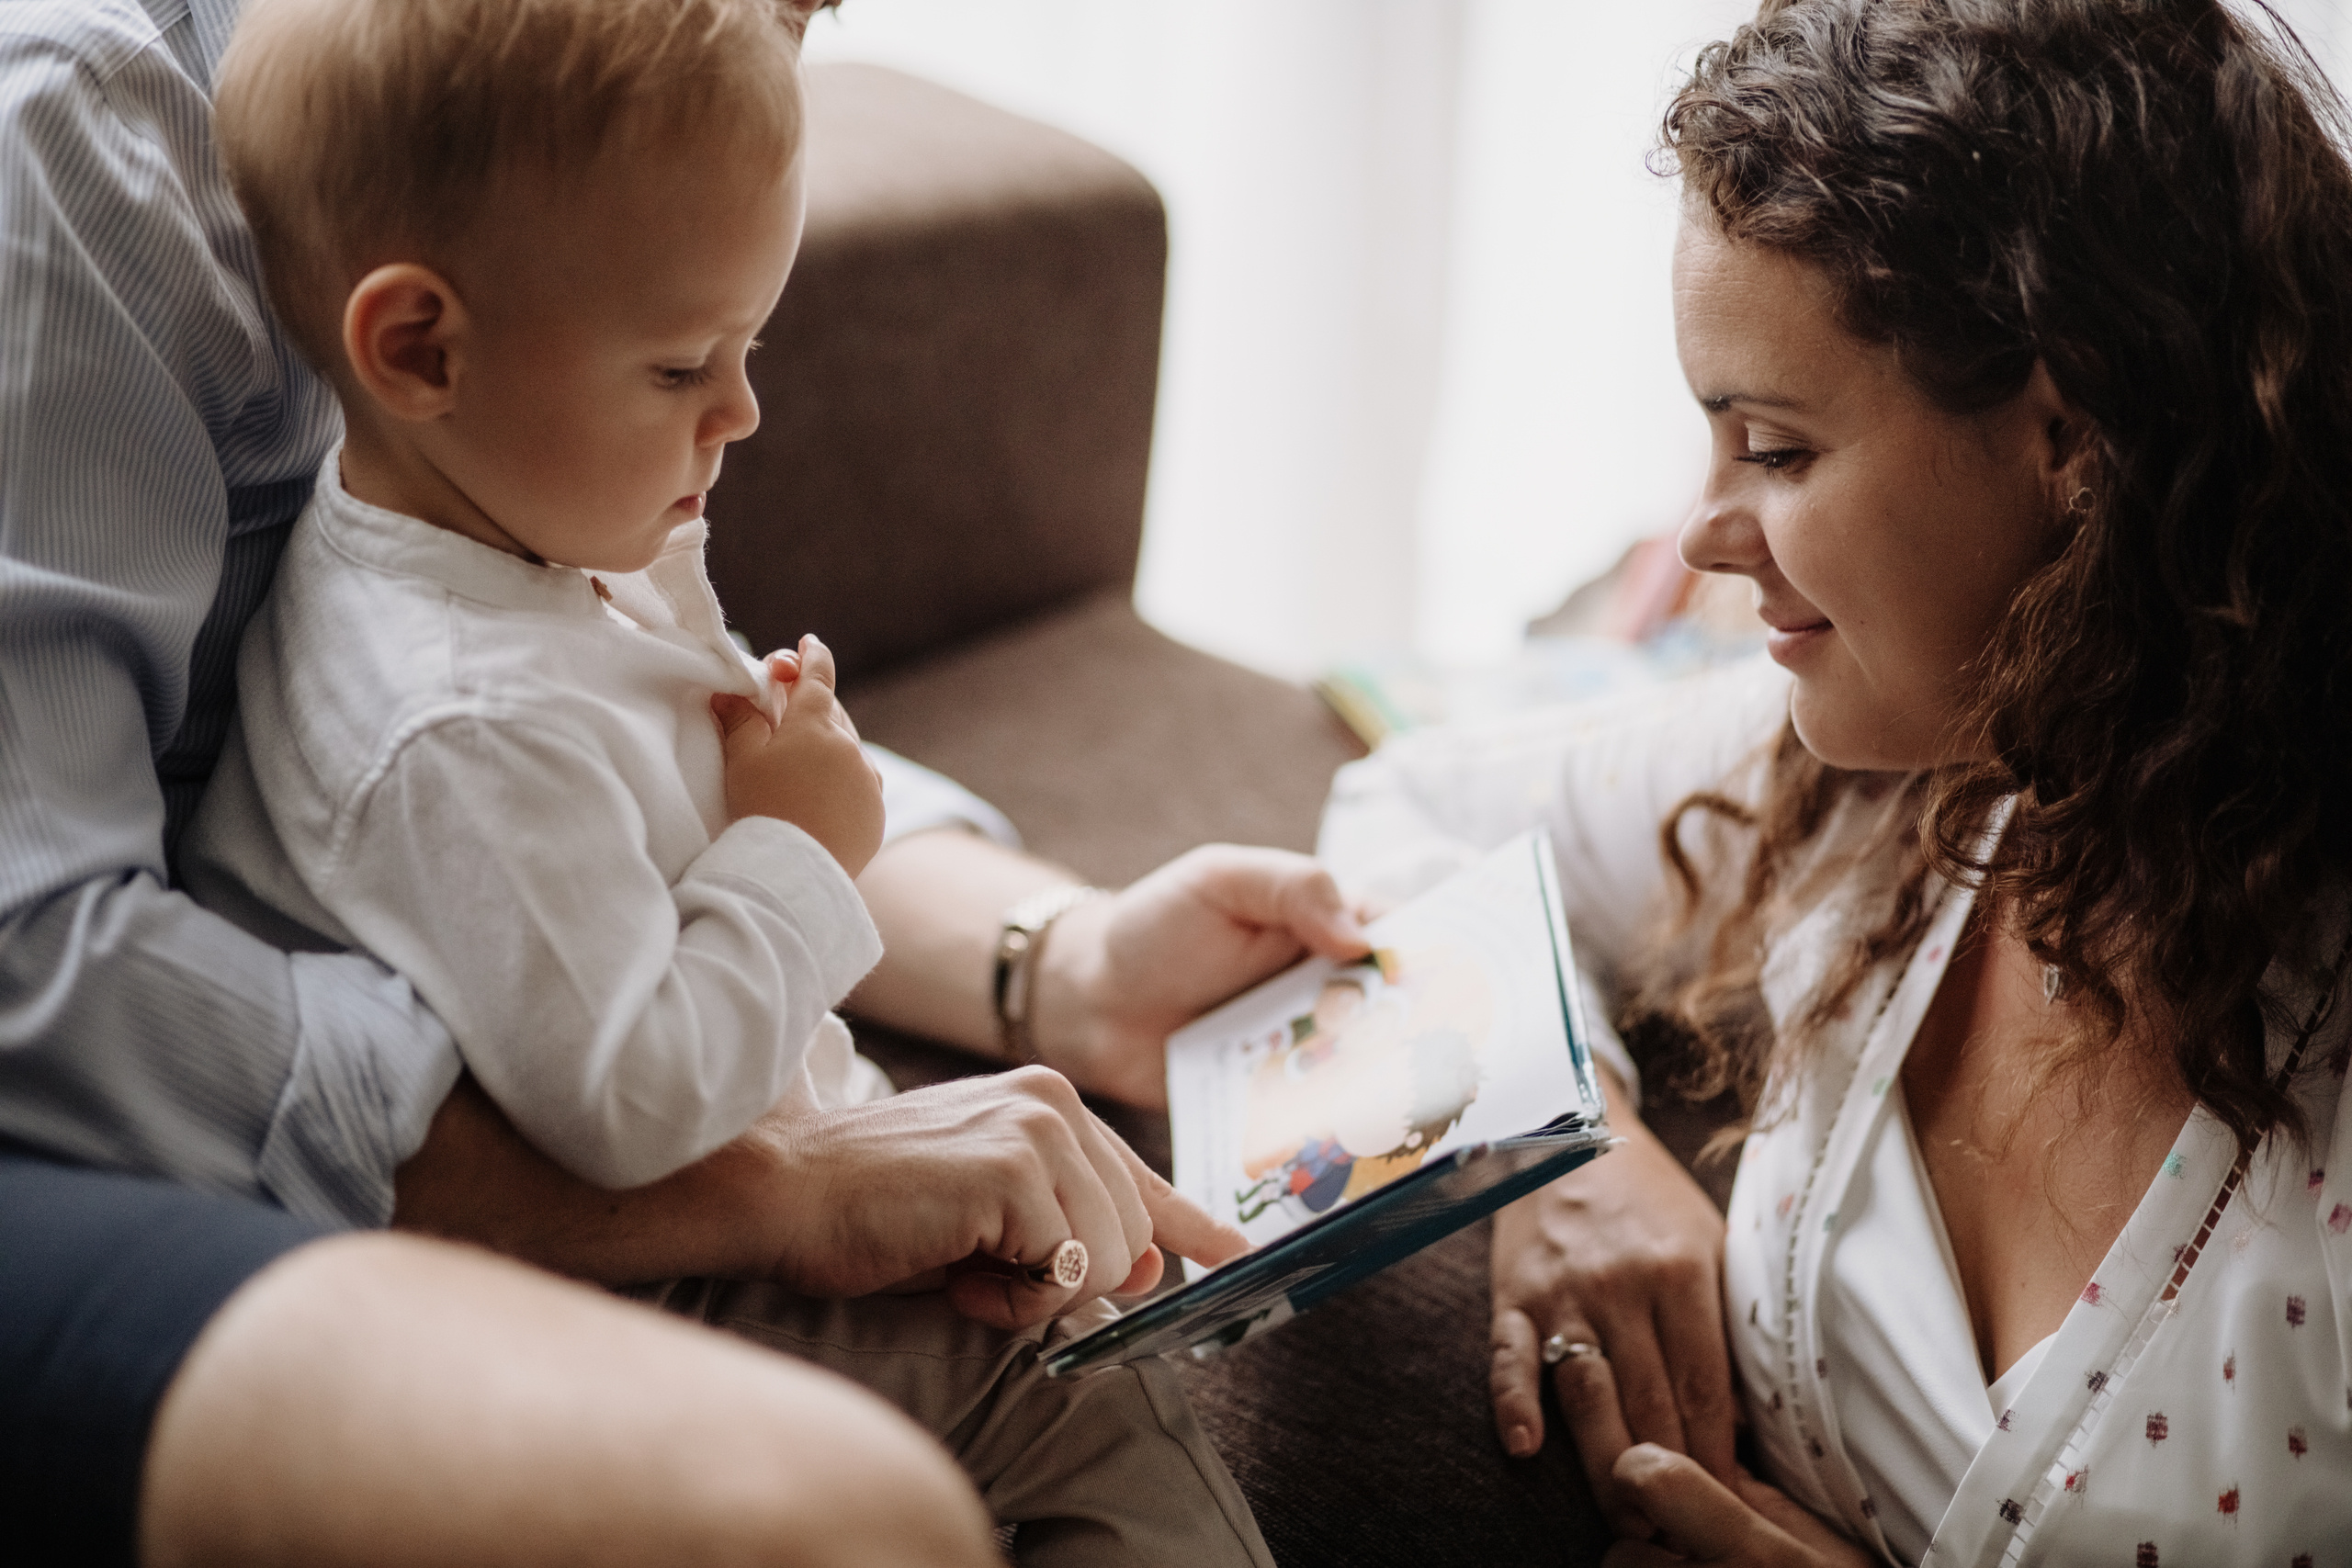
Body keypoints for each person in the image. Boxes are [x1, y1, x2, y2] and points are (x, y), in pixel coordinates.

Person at [0, 0, 1366, 1560]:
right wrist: (774, 1160)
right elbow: (54, 949)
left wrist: (1059, 959)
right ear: (416, 347)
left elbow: (613, 760)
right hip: (469, 1190)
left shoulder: (479, 480)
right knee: (1058, 1404)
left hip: (615, 1057)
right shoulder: (86, 135)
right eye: (687, 365)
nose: (745, 411)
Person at [1318, 1, 2352, 1563]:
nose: (1702, 534)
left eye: (1778, 449)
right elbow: (1409, 813)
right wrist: (1562, 1145)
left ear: (2070, 433)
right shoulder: (1893, 768)